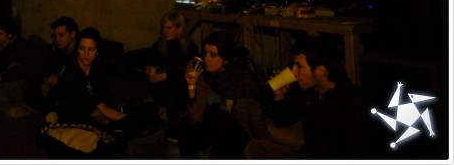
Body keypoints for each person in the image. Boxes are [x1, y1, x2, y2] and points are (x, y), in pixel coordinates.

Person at [244, 36, 386, 160]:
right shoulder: (309, 91)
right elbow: (282, 120)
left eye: (299, 66)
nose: (294, 72)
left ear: (321, 70)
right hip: (312, 156)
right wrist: (279, 98)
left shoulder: (352, 103)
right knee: (255, 148)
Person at [177, 30, 272, 159]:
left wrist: (271, 150)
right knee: (186, 128)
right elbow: (196, 118)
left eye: (213, 55)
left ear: (226, 59)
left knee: (219, 118)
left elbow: (257, 124)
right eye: (205, 53)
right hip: (211, 134)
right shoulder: (205, 78)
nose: (206, 59)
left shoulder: (243, 81)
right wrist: (191, 85)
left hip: (237, 138)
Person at [57, 27, 158, 140]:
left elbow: (102, 106)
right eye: (82, 48)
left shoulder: (95, 72)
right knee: (129, 127)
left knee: (148, 111)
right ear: (77, 50)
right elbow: (94, 112)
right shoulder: (72, 74)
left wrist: (127, 119)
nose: (86, 54)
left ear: (97, 52)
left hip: (99, 115)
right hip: (78, 122)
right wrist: (119, 122)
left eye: (91, 49)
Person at [145, 11, 198, 124]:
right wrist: (151, 71)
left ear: (179, 29)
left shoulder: (190, 47)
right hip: (163, 85)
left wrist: (165, 75)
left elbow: (185, 69)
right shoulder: (160, 45)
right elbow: (152, 60)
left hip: (182, 85)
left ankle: (175, 116)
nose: (164, 31)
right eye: (163, 28)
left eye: (168, 28)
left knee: (170, 84)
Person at [38, 16, 79, 114]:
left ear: (72, 34)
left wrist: (60, 80)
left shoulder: (82, 51)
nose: (57, 39)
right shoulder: (55, 47)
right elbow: (45, 68)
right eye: (55, 36)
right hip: (55, 86)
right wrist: (46, 81)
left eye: (61, 35)